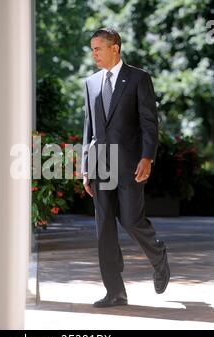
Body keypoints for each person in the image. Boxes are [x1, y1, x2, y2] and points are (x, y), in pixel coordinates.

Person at [81, 28, 170, 308]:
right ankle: (115, 291)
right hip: (100, 165)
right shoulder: (91, 83)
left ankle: (158, 256)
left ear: (115, 48)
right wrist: (86, 167)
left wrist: (147, 157)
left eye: (98, 48)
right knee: (104, 228)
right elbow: (89, 129)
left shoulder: (138, 78)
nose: (94, 54)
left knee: (131, 219)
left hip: (130, 164)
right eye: (92, 49)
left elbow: (149, 122)